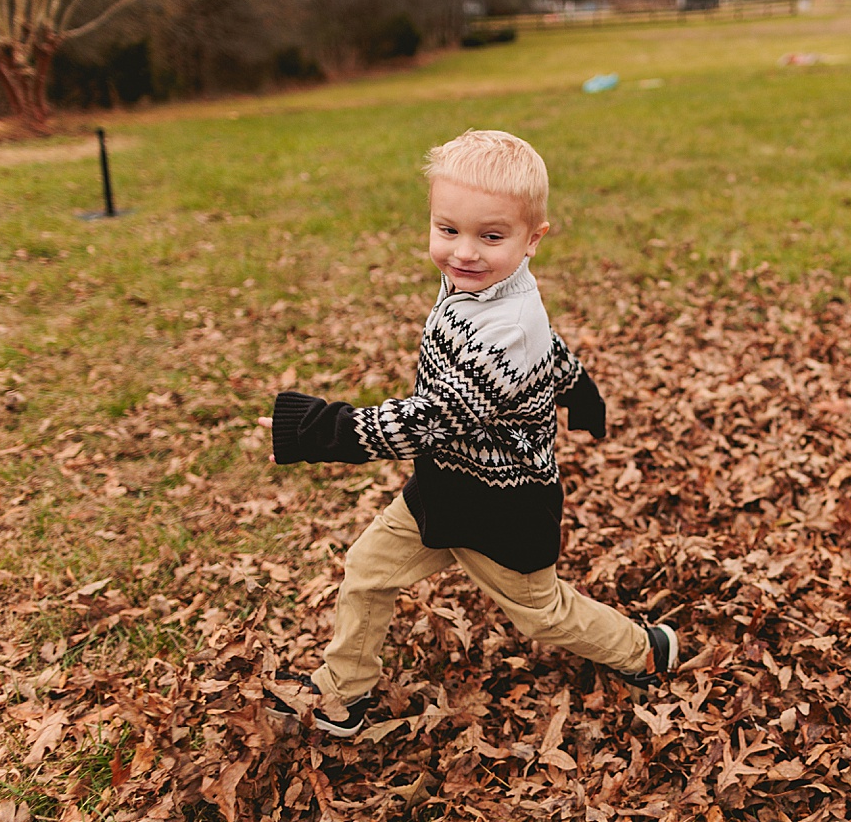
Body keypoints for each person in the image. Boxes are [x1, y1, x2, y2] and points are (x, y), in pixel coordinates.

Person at [258, 129, 677, 737]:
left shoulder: (505, 324)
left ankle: (644, 650)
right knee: (369, 568)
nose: (464, 252)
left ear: (534, 240)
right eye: (448, 230)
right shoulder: (487, 285)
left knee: (542, 614)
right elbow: (549, 348)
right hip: (445, 486)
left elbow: (435, 419)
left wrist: (326, 429)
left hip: (503, 502)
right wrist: (578, 387)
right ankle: (344, 693)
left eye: (491, 236)